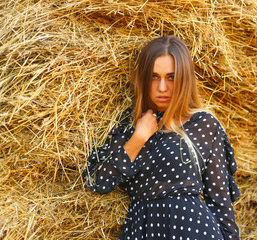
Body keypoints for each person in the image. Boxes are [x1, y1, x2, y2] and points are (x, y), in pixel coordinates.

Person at [82, 35, 240, 240]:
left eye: (171, 77)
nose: (162, 87)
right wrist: (139, 137)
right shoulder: (128, 126)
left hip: (195, 230)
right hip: (143, 231)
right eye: (154, 77)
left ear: (184, 79)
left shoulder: (203, 124)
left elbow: (220, 203)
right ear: (143, 79)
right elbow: (98, 181)